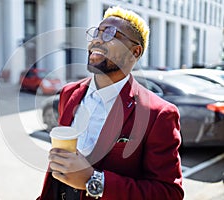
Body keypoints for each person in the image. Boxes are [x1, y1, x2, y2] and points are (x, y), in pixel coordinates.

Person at [37, 6, 184, 200]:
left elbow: (169, 193)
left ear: (135, 52)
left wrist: (94, 181)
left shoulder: (159, 114)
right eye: (96, 33)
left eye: (110, 34)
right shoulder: (68, 93)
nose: (97, 40)